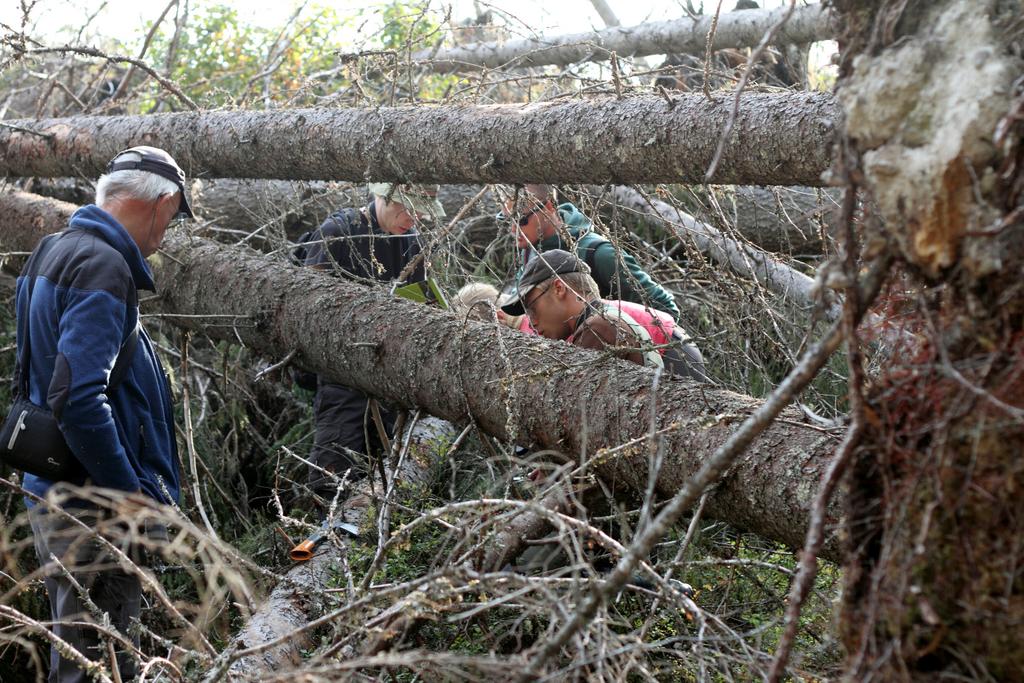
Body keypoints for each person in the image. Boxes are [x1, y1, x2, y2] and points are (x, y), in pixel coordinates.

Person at [16, 145, 189, 682]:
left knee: (76, 653)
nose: (170, 230)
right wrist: (125, 492)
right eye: (176, 215)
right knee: (101, 662)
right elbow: (79, 397)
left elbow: (35, 378)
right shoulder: (104, 267)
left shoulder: (52, 248)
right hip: (92, 504)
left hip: (52, 486)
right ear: (162, 203)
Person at [301, 183, 445, 500]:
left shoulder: (411, 242)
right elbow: (306, 307)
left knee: (385, 470)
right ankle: (328, 541)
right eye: (408, 208)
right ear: (382, 196)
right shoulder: (339, 233)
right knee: (334, 469)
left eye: (421, 211)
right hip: (341, 376)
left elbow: (425, 306)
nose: (414, 217)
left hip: (391, 378)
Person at [500, 250, 708, 381]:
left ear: (559, 289)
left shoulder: (598, 329)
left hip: (678, 363)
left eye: (532, 308)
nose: (532, 321)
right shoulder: (599, 318)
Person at [498, 184, 680, 320]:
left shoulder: (599, 254)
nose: (513, 231)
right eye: (506, 221)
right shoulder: (530, 247)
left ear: (549, 208)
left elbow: (666, 311)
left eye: (521, 220)